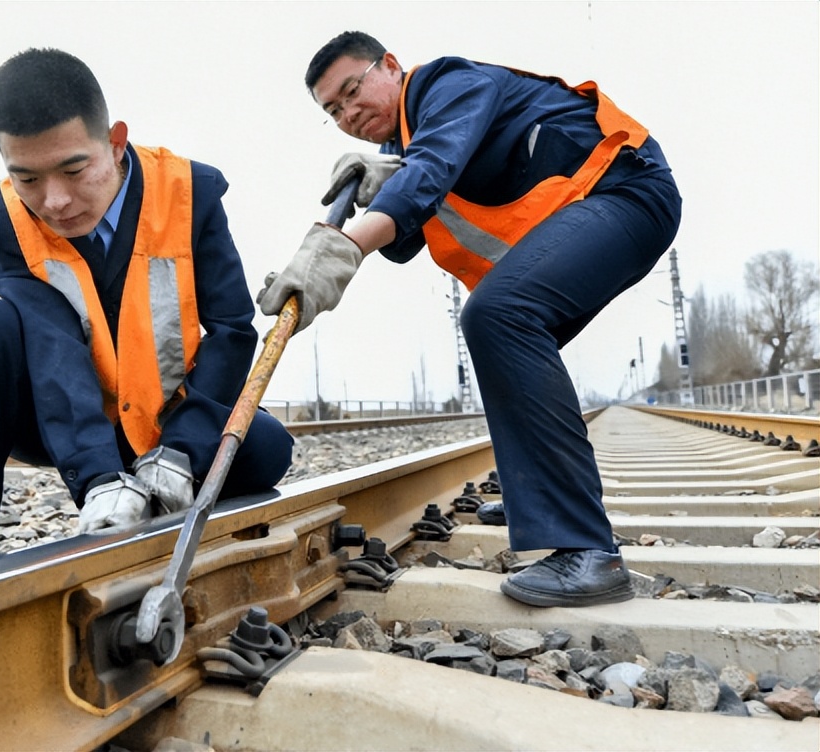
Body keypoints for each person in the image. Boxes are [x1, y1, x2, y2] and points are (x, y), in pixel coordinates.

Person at [259, 32, 682, 607]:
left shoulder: (447, 84)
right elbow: (408, 228)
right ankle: (539, 492)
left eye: (353, 90)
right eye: (333, 111)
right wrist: (384, 180)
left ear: (390, 65)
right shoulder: (416, 146)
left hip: (624, 189)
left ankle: (589, 552)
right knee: (505, 338)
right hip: (594, 208)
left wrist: (337, 248)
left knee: (501, 314)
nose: (348, 113)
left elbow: (429, 172)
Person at [0, 48, 293, 568]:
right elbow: (52, 343)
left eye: (75, 169)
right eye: (28, 178)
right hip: (66, 419)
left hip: (169, 417)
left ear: (115, 142)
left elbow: (231, 330)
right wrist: (96, 476)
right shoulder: (4, 222)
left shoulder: (191, 194)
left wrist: (183, 449)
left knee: (267, 449)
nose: (54, 201)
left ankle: (166, 493)